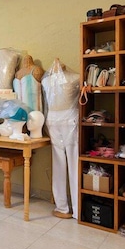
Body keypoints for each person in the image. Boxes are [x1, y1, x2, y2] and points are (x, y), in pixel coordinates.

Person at [42, 58, 80, 219]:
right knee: (74, 162)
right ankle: (77, 210)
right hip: (70, 120)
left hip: (53, 120)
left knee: (58, 163)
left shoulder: (46, 81)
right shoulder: (76, 78)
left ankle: (62, 207)